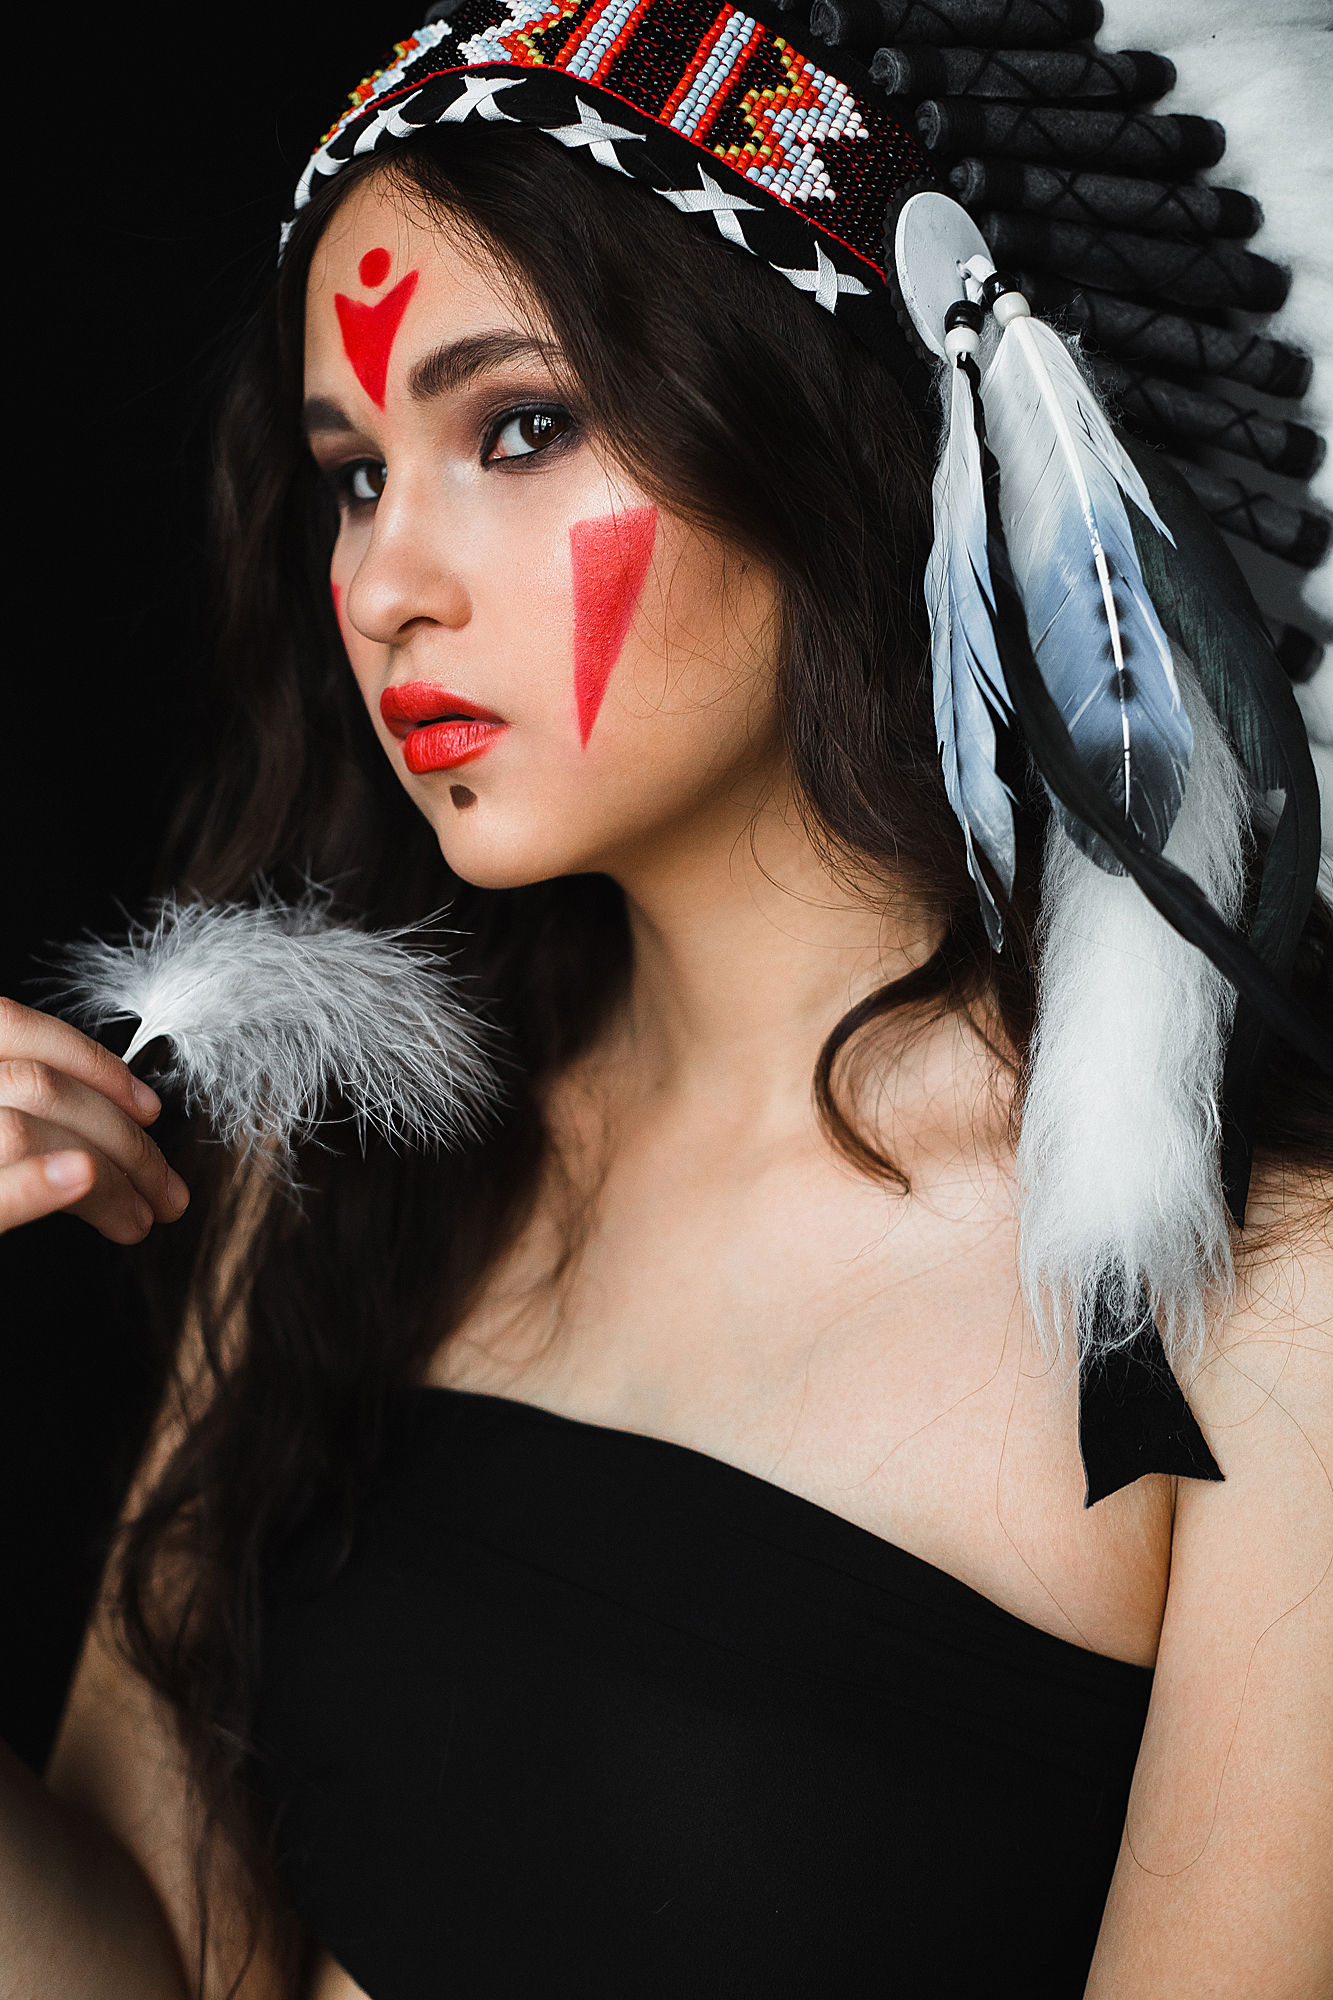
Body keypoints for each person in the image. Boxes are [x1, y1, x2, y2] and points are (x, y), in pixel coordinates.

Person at [1, 4, 1330, 1996]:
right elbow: (149, 1956)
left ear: (815, 417)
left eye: (517, 429)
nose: (383, 583)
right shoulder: (347, 1175)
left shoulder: (1254, 1299)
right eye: (349, 474)